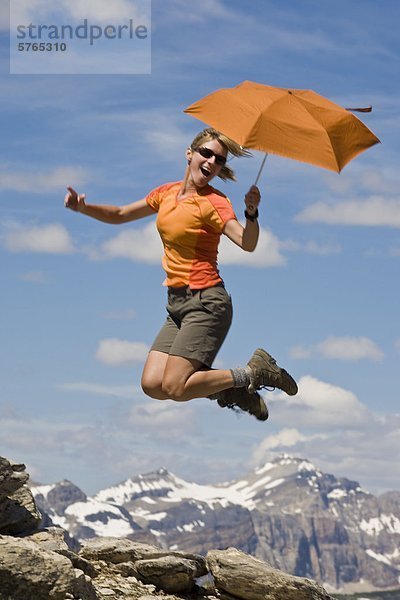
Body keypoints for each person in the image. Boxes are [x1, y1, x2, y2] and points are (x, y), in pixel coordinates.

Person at [64, 128, 298, 421]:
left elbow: (247, 243)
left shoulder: (215, 202)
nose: (212, 162)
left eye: (220, 160)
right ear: (190, 153)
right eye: (206, 153)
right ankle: (231, 390)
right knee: (152, 384)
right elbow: (121, 214)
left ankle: (255, 372)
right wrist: (82, 208)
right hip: (176, 304)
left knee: (175, 386)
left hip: (207, 303)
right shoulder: (166, 193)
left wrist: (251, 213)